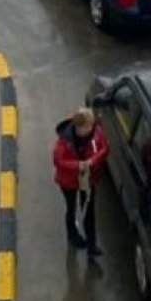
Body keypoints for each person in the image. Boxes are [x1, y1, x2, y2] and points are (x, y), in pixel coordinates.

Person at [52, 107, 108, 258]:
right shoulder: (64, 140)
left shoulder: (96, 133)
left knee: (89, 210)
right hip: (68, 180)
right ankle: (73, 236)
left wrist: (92, 161)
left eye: (91, 125)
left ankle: (92, 244)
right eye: (87, 127)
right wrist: (78, 165)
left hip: (88, 179)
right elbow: (58, 160)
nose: (91, 129)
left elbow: (104, 149)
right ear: (78, 127)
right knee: (71, 208)